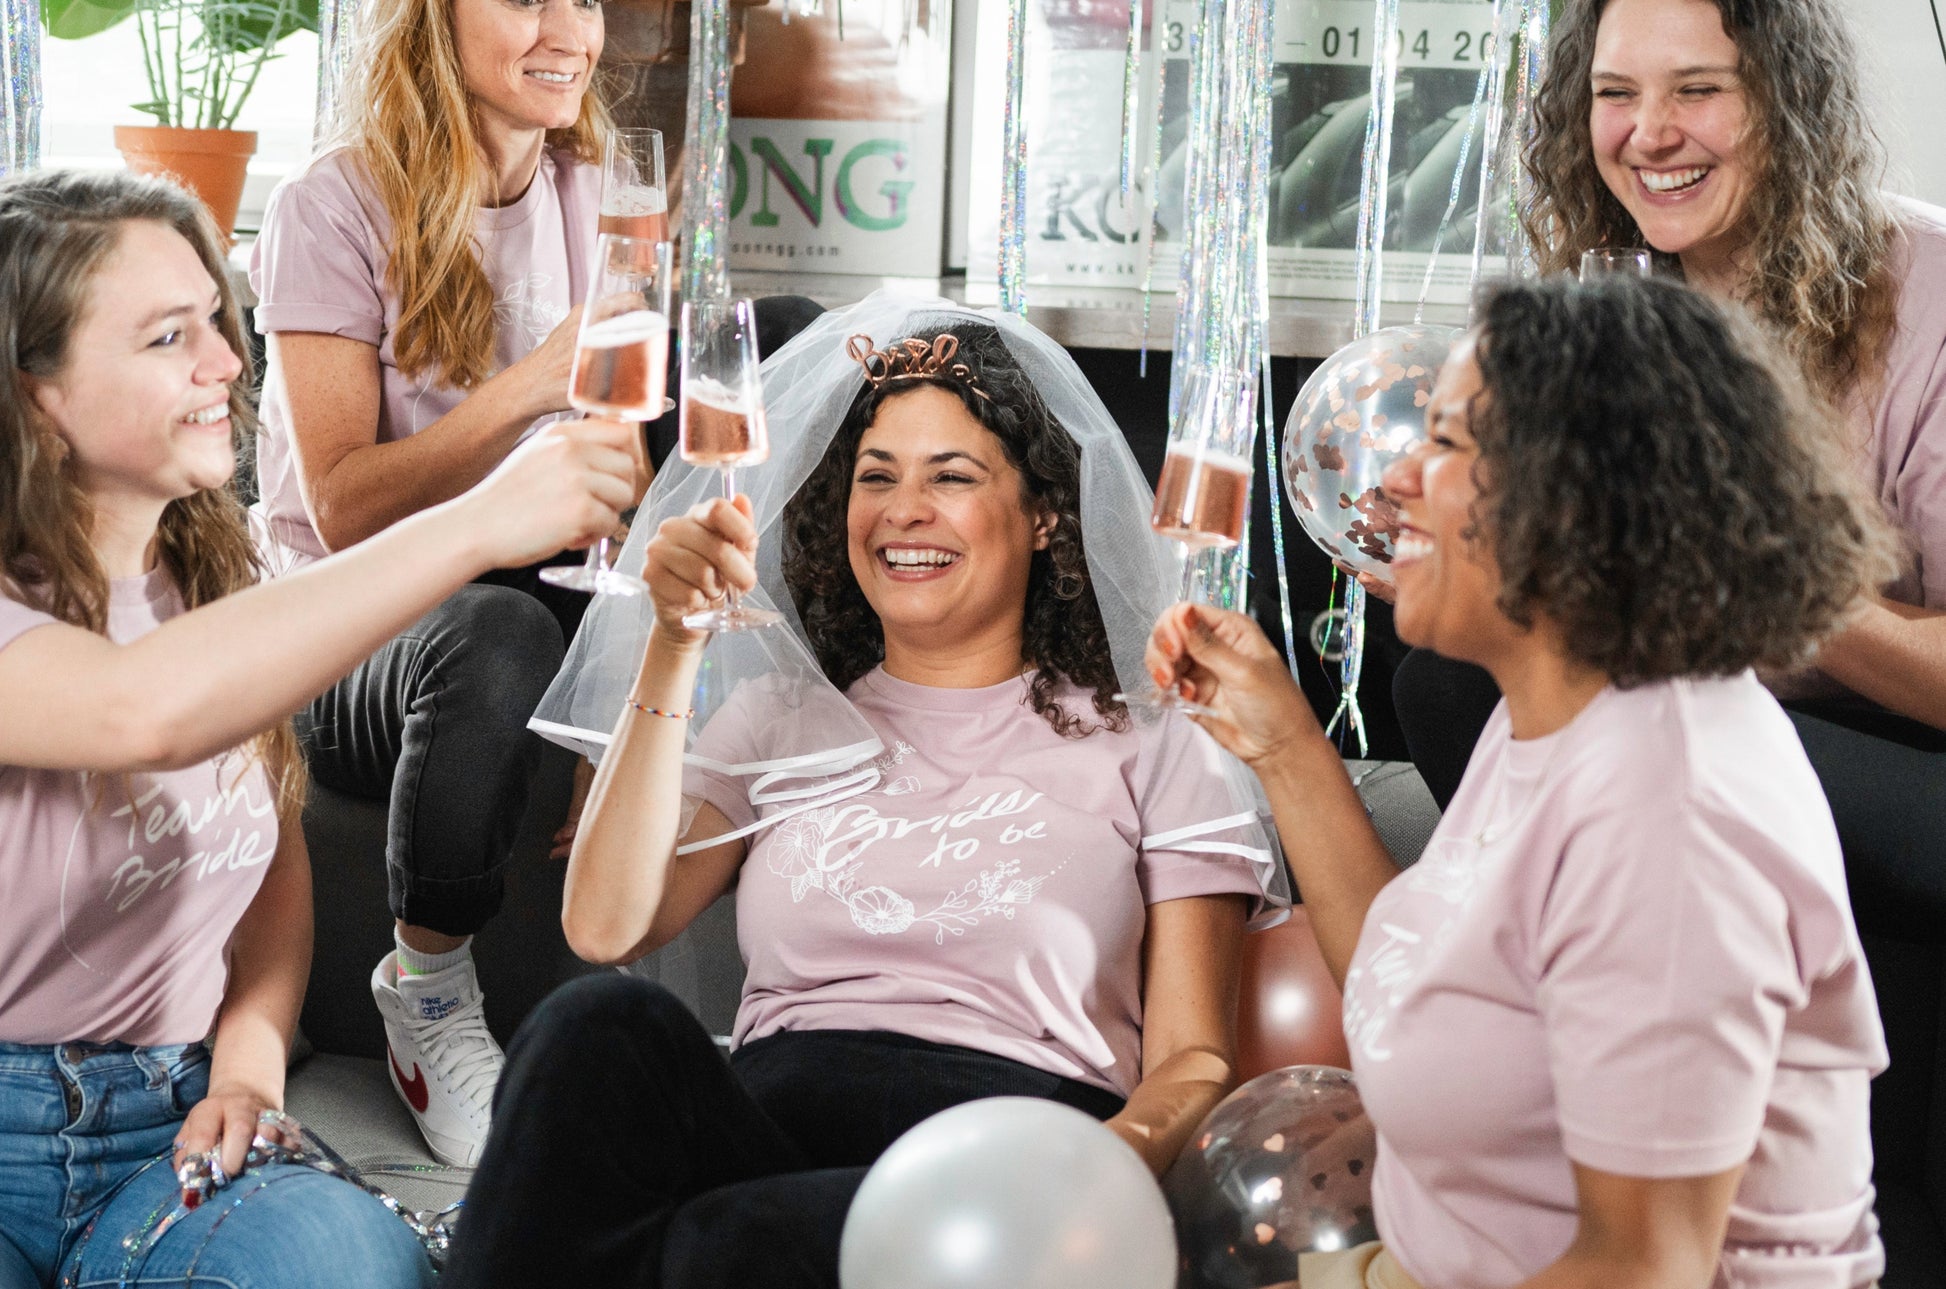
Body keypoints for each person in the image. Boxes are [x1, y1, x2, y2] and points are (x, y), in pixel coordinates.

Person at [444, 295, 1289, 1289]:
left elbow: (1193, 1056)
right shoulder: (774, 714)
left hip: (1008, 1157)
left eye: (952, 476)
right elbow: (604, 925)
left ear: (1044, 515)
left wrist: (1103, 1161)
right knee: (595, 1026)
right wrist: (673, 646)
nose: (901, 510)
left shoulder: (1156, 738)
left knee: (722, 1242)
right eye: (875, 475)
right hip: (766, 1119)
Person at [1153, 277, 1894, 1289]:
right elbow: (1416, 978)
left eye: (1446, 443)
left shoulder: (1669, 814)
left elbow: (1641, 1269)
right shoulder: (1556, 707)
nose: (1392, 480)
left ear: (1580, 498)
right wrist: (1281, 739)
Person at [0, 169, 635, 1288]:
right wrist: (483, 520)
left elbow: (270, 856)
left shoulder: (202, 581)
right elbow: (136, 711)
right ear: (35, 392)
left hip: (166, 1124)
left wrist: (247, 1062)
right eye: (166, 337)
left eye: (216, 319)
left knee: (349, 1265)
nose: (226, 364)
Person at [1385, 0, 1946, 947]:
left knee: (1654, 754)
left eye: (1698, 89)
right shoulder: (1611, 298)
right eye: (1616, 94)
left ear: (1787, 100)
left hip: (1907, 756)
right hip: (1702, 723)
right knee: (1443, 681)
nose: (1650, 133)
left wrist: (1755, 570)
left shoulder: (1926, 294)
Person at [249, 0, 625, 1163]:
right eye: (526, 0)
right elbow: (344, 504)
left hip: (528, 577)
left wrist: (618, 695)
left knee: (786, 346)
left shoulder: (598, 191)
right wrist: (531, 382)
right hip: (349, 626)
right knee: (499, 635)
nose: (569, 27)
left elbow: (624, 470)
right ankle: (425, 987)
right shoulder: (330, 205)